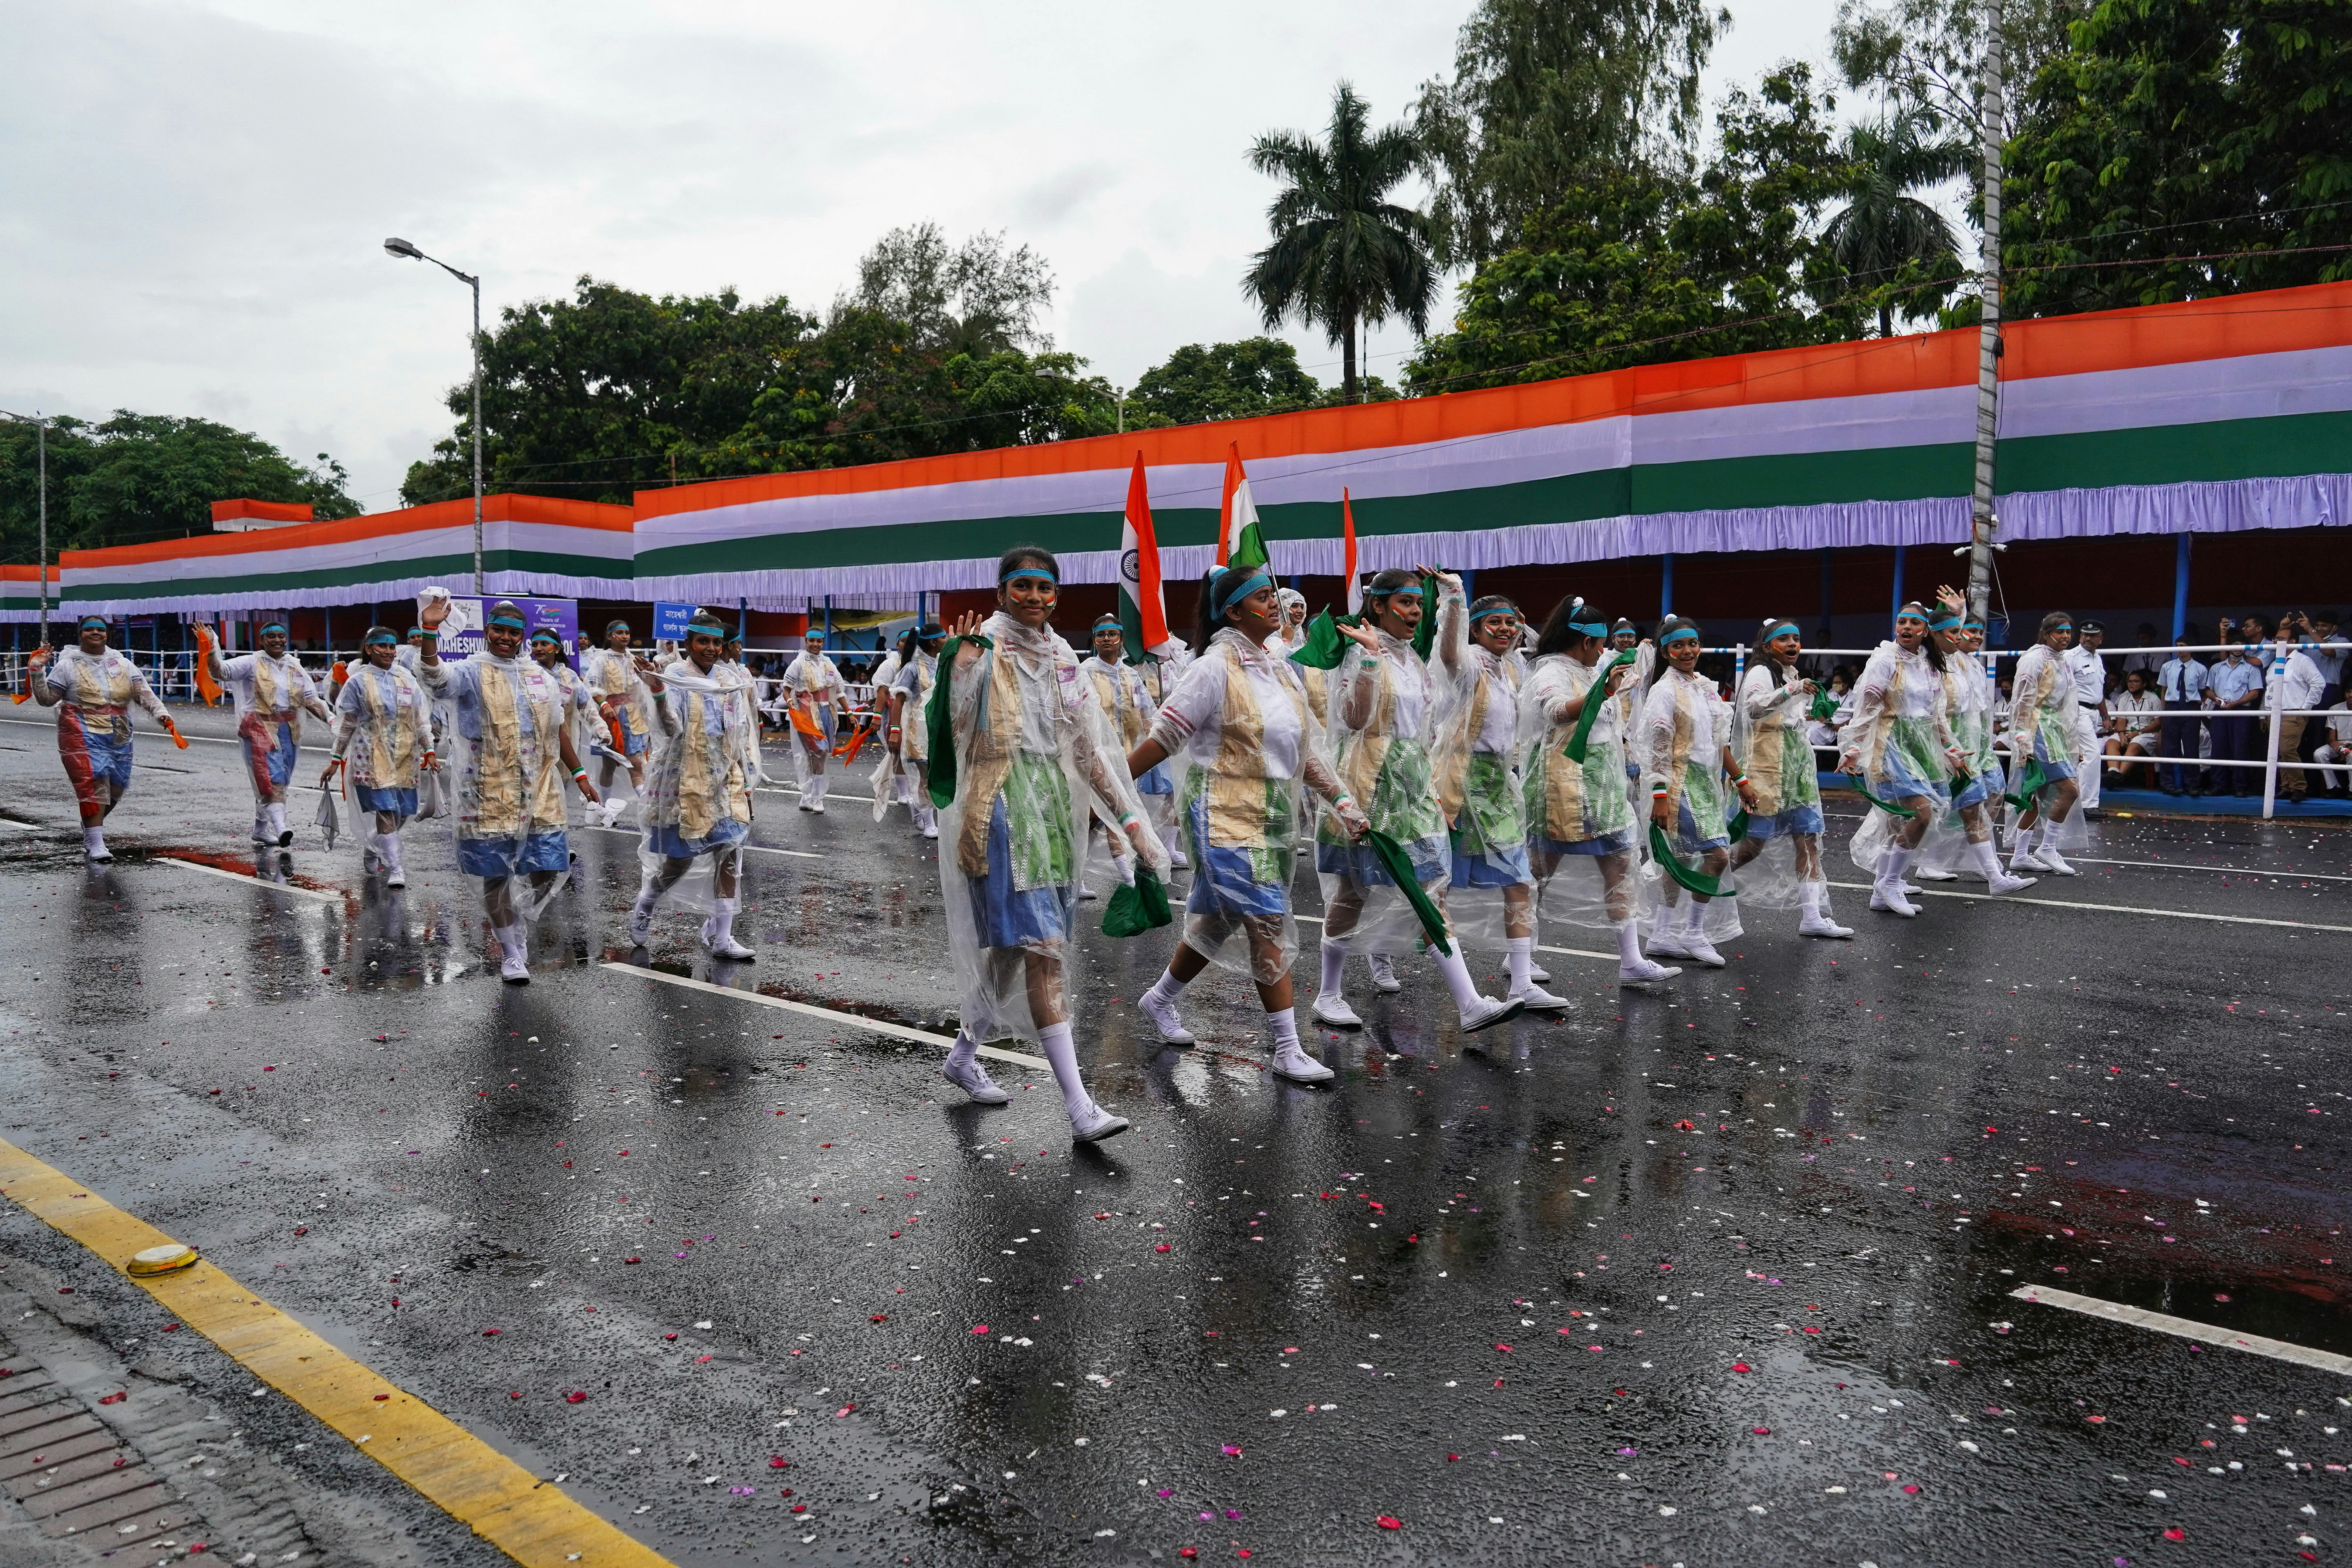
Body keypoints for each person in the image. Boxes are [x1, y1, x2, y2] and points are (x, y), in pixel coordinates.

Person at [927, 546, 1169, 1142]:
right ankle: (1081, 1108)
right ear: (1001, 590)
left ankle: (962, 1056)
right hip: (1001, 809)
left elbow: (1090, 750)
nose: (1036, 598)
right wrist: (955, 674)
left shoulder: (1064, 655)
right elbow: (951, 739)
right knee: (1043, 949)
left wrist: (1132, 823)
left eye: (1046, 588)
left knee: (1014, 953)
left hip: (1057, 814)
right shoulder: (980, 648)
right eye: (1024, 586)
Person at [1126, 564, 1369, 1083]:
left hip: (1274, 813)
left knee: (1218, 920)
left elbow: (1305, 751)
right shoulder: (1212, 669)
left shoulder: (1279, 669)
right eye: (1262, 597)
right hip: (1224, 812)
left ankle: (1159, 999)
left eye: (1275, 594)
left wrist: (1342, 801)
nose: (1275, 604)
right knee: (1266, 919)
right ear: (1234, 611)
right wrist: (1109, 792)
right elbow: (1164, 738)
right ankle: (1287, 1047)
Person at [1313, 568, 1522, 1032]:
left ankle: (1469, 1003)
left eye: (1418, 604)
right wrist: (1368, 660)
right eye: (1406, 603)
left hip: (1412, 785)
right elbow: (1353, 718)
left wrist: (1454, 597)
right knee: (1353, 892)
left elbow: (1443, 676)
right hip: (1368, 782)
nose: (1414, 612)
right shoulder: (1358, 649)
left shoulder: (1413, 659)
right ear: (1380, 606)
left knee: (1431, 889)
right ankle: (1328, 994)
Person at [415, 597, 597, 983]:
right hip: (485, 790)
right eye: (499, 630)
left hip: (539, 788)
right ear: (487, 631)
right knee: (495, 877)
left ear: (523, 637)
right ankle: (512, 950)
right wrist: (429, 630)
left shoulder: (541, 677)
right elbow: (435, 679)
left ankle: (518, 921)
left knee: (549, 866)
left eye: (514, 632)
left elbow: (558, 728)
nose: (505, 638)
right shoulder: (469, 672)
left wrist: (579, 774)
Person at [1518, 598, 1679, 984]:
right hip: (1562, 786)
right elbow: (1555, 711)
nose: (1604, 650)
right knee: (1538, 874)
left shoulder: (1594, 670)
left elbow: (1609, 723)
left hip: (1604, 786)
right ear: (1584, 643)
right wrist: (1603, 691)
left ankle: (1631, 961)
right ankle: (1519, 960)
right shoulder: (1550, 671)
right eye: (1600, 644)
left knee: (1621, 865)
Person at [1436, 593, 1567, 1010]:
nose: (1506, 630)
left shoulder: (1510, 667)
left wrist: (1516, 625)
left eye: (1511, 623)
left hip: (1498, 787)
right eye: (1494, 622)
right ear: (1474, 630)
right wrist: (1454, 599)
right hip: (1458, 785)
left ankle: (1522, 983)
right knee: (1433, 887)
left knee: (1519, 881)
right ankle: (1376, 959)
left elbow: (1532, 649)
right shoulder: (1468, 663)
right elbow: (1449, 652)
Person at [627, 610, 759, 960]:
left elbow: (738, 734)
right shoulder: (674, 675)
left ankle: (723, 938)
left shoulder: (729, 678)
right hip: (685, 781)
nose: (711, 648)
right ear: (689, 644)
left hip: (725, 778)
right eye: (704, 641)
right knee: (678, 864)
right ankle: (647, 903)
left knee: (731, 852)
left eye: (717, 642)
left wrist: (746, 780)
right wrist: (657, 692)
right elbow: (670, 729)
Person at [1724, 616, 1851, 937]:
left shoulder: (1790, 673)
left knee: (1809, 841)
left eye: (1796, 638)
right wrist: (1792, 690)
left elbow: (1791, 718)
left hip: (1797, 774)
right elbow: (1753, 709)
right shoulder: (1760, 672)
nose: (1793, 644)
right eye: (1785, 640)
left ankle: (1812, 917)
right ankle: (1699, 888)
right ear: (1767, 646)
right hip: (1767, 771)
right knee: (1751, 846)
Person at [1642, 616, 1756, 963]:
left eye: (1692, 644)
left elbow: (1719, 742)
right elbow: (1658, 746)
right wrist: (1660, 796)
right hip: (1680, 784)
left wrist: (1741, 781)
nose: (1687, 651)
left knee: (1683, 857)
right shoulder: (1664, 690)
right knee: (1717, 855)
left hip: (1708, 784)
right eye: (1678, 646)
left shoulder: (1705, 686)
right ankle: (1693, 932)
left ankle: (1662, 935)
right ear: (1666, 651)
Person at [1838, 602, 1961, 916]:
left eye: (1914, 623)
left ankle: (1882, 892)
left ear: (1925, 631)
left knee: (1897, 823)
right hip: (1890, 742)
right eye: (1902, 622)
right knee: (1921, 815)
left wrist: (1950, 748)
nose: (1906, 628)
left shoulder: (1930, 662)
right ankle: (1890, 882)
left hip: (1922, 746)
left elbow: (1937, 714)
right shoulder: (1884, 660)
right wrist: (1853, 748)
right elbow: (1866, 707)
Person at [27, 614, 183, 861]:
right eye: (89, 630)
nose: (95, 634)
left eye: (100, 630)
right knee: (94, 784)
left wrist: (162, 714)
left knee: (117, 787)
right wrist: (37, 670)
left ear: (107, 634)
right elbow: (47, 699)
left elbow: (143, 693)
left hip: (119, 732)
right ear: (81, 634)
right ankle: (97, 842)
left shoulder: (121, 663)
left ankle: (91, 829)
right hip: (80, 731)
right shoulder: (68, 665)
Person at [1914, 594, 2036, 894]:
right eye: (1963, 631)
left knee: (1993, 795)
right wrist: (1957, 612)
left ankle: (1978, 861)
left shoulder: (1974, 666)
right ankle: (1932, 863)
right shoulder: (1939, 661)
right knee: (1955, 808)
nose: (1973, 637)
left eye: (1980, 633)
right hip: (1952, 745)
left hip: (1978, 746)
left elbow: (1980, 711)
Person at [205, 619, 335, 849]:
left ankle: (261, 828)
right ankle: (280, 827)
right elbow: (219, 671)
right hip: (258, 728)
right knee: (271, 779)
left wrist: (332, 720)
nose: (277, 640)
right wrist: (211, 644)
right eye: (271, 636)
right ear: (262, 640)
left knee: (279, 780)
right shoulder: (251, 663)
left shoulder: (294, 665)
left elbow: (310, 698)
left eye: (281, 636)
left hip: (289, 730)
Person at [320, 628, 431, 886]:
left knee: (403, 813)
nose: (389, 652)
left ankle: (373, 845)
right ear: (369, 649)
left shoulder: (406, 678)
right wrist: (335, 759)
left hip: (405, 757)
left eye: (392, 647)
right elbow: (347, 723)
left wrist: (430, 751)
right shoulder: (358, 681)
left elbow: (419, 718)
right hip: (370, 756)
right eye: (382, 646)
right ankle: (396, 869)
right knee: (385, 810)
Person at [1081, 613, 1177, 888]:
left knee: (1113, 814)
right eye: (1101, 635)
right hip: (1096, 758)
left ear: (1122, 639)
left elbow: (1148, 714)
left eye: (1112, 634)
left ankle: (1122, 873)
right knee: (1094, 815)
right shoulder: (1086, 672)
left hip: (1127, 759)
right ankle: (1119, 876)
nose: (1107, 640)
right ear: (1095, 640)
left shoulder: (1132, 675)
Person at [2004, 612, 2086, 874]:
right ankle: (2048, 848)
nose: (2065, 637)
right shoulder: (2034, 659)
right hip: (2036, 728)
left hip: (2054, 730)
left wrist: (2074, 743)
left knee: (2033, 794)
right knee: (2069, 790)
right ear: (2046, 633)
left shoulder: (2063, 661)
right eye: (2060, 632)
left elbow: (2068, 705)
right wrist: (2021, 737)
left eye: (2068, 632)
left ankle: (2020, 855)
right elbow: (2021, 700)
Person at [581, 620, 654, 827]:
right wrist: (604, 704)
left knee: (636, 763)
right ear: (610, 636)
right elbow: (593, 686)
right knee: (610, 764)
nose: (624, 636)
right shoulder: (601, 660)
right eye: (620, 633)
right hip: (613, 718)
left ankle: (648, 811)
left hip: (636, 717)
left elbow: (644, 688)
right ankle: (606, 808)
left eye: (627, 633)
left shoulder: (634, 660)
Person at [887, 624, 944, 838]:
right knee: (927, 777)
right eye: (943, 638)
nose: (946, 640)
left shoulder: (941, 664)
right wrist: (895, 731)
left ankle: (915, 803)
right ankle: (930, 823)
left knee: (935, 776)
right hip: (917, 730)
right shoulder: (912, 668)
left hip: (937, 729)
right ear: (933, 642)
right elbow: (899, 701)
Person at [783, 629, 847, 811]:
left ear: (824, 642)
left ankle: (808, 796)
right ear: (806, 641)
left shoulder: (828, 663)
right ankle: (817, 798)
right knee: (817, 751)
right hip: (806, 712)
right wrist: (790, 702)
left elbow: (839, 690)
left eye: (819, 641)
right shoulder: (798, 664)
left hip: (827, 712)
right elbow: (787, 688)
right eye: (812, 641)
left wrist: (849, 712)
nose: (815, 645)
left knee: (821, 754)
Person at [2269, 614, 2328, 804]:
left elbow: (2318, 683)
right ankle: (2287, 787)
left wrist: (2305, 708)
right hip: (2273, 713)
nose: (2276, 642)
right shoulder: (2274, 663)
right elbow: (2270, 688)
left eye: (2281, 639)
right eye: (2275, 639)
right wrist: (2264, 711)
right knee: (2278, 753)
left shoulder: (2302, 660)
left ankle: (2299, 788)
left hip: (2293, 713)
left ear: (2292, 642)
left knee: (2288, 750)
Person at [2205, 641, 2265, 795]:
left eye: (2241, 645)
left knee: (2240, 749)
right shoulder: (2216, 668)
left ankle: (2240, 787)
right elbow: (2208, 690)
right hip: (2220, 710)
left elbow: (2255, 693)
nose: (2238, 649)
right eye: (2235, 645)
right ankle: (2219, 786)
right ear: (2229, 647)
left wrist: (2236, 703)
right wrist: (2217, 699)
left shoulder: (2251, 668)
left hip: (2241, 711)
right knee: (2218, 748)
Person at [2064, 619, 2111, 814]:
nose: (2088, 639)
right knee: (2092, 755)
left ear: (2101, 639)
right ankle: (2086, 805)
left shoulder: (2097, 658)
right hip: (2077, 712)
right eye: (2085, 635)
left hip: (2092, 713)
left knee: (2080, 758)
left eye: (2093, 636)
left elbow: (2097, 692)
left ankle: (2076, 803)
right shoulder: (2071, 657)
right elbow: (2061, 688)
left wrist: (2106, 716)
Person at [2155, 637, 2210, 795]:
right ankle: (2168, 783)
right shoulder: (2168, 667)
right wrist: (2165, 709)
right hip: (2172, 706)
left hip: (2191, 706)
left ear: (2191, 648)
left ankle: (2192, 784)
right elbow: (2164, 690)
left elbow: (2202, 690)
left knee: (2191, 746)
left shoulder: (2200, 669)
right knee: (2169, 747)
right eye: (2177, 646)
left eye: (2183, 646)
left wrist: (2196, 707)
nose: (2179, 649)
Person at [2104, 668, 2163, 789]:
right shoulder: (2124, 698)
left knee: (2135, 743)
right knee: (2111, 742)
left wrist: (2139, 733)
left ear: (2144, 684)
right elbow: (2121, 720)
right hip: (2127, 732)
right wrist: (2121, 736)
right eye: (2129, 681)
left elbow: (2158, 723)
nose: (2131, 684)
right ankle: (2113, 772)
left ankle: (2118, 777)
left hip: (2148, 733)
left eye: (2135, 681)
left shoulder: (2153, 699)